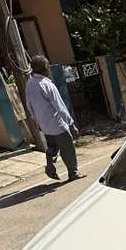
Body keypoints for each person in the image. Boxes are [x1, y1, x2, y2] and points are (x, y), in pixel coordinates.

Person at [25, 54, 82, 182]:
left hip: (44, 126)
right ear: (45, 68)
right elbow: (60, 106)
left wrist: (37, 121)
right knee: (67, 148)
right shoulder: (47, 85)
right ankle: (73, 173)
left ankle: (50, 166)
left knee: (52, 147)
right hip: (57, 125)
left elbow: (29, 105)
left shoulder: (29, 84)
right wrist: (71, 124)